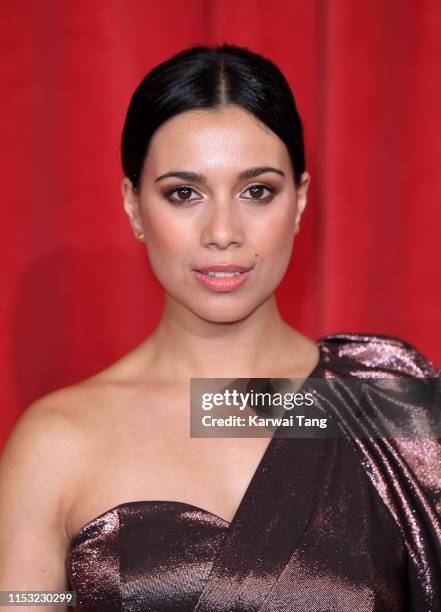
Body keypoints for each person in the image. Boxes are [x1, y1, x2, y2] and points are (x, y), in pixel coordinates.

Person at [0, 43, 440, 612]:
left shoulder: (384, 404)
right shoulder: (57, 442)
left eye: (257, 191)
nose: (223, 231)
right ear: (134, 207)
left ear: (301, 200)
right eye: (184, 193)